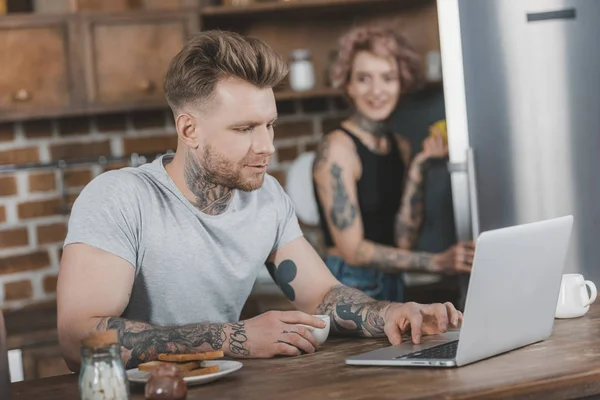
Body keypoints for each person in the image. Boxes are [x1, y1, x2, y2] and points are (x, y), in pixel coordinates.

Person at [57, 30, 462, 372]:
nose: (267, 146)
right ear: (189, 129)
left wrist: (389, 314)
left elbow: (321, 295)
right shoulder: (119, 198)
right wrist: (236, 337)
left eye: (269, 125)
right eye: (245, 128)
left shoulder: (266, 197)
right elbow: (80, 340)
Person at [312, 25, 473, 303]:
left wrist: (419, 167)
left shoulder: (400, 145)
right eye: (364, 78)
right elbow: (353, 251)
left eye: (388, 78)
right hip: (348, 285)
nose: (377, 91)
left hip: (392, 281)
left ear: (402, 83)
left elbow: (403, 242)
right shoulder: (338, 149)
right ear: (347, 84)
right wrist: (437, 262)